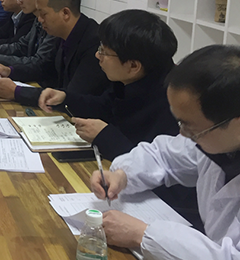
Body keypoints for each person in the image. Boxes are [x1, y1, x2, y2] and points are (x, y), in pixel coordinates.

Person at [38, 9, 201, 228]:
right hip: (123, 182)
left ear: (133, 65)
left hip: (168, 213)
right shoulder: (132, 79)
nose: (97, 56)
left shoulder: (172, 101)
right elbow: (105, 106)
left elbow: (170, 174)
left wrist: (106, 136)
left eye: (104, 51)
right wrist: (66, 98)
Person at [91, 45, 240, 259]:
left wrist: (142, 235)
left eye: (190, 126)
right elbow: (163, 155)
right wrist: (122, 175)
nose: (183, 133)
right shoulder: (217, 138)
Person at [0, 0, 109, 105]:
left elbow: (72, 97)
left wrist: (17, 92)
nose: (39, 20)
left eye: (43, 14)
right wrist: (10, 71)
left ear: (65, 13)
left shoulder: (93, 43)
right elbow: (43, 67)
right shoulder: (61, 33)